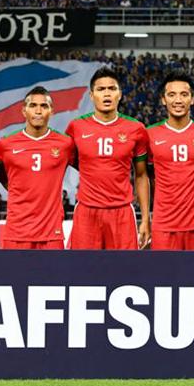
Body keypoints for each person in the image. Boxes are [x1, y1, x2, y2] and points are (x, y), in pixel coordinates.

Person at [66, 67, 150, 250]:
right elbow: (71, 162)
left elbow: (141, 175)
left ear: (119, 94)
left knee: (124, 274)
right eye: (100, 89)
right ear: (91, 95)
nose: (106, 94)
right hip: (86, 211)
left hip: (122, 212)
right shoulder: (76, 127)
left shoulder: (136, 129)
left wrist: (145, 219)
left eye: (112, 89)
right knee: (82, 274)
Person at [0, 86, 75, 249]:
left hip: (52, 233)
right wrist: (9, 185)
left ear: (51, 111)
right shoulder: (5, 144)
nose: (38, 110)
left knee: (53, 276)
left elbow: (88, 168)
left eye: (44, 106)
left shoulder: (65, 144)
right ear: (24, 111)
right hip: (17, 232)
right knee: (14, 275)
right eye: (33, 106)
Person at [146, 72, 194, 250]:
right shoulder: (149, 134)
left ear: (192, 99)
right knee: (163, 277)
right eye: (172, 95)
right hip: (164, 221)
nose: (178, 100)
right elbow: (148, 174)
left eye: (184, 94)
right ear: (163, 99)